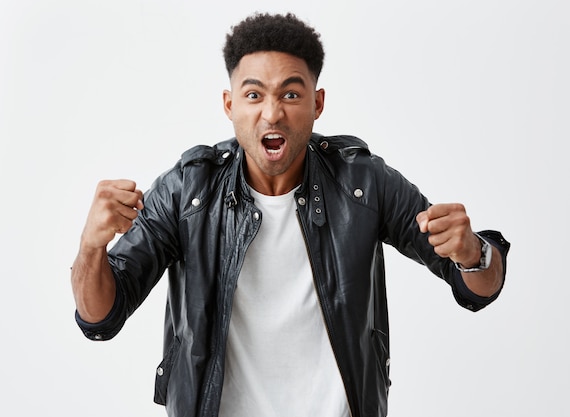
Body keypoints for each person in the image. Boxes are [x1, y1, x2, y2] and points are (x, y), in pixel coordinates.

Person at [71, 12, 510, 417]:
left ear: (317, 104)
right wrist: (91, 246)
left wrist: (474, 254)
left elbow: (477, 289)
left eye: (291, 93)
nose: (272, 112)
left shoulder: (364, 183)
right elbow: (100, 317)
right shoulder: (190, 191)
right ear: (230, 106)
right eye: (254, 94)